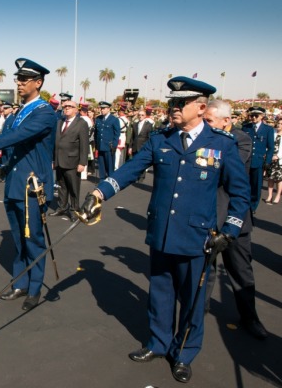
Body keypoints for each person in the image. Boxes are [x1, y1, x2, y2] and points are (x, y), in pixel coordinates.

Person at [81, 76, 250, 383]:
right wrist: (99, 193)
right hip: (162, 232)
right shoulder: (162, 139)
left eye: (179, 103)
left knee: (192, 300)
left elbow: (240, 194)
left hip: (199, 237)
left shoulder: (221, 144)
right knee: (160, 293)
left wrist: (229, 230)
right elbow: (130, 169)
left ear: (200, 107)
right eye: (171, 102)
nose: (172, 108)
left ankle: (184, 352)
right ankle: (159, 343)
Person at [0, 58, 57, 311]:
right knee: (19, 237)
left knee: (34, 238)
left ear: (38, 83)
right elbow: (9, 139)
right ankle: (21, 282)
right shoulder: (19, 112)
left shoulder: (44, 112)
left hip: (33, 185)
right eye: (17, 79)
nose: (18, 83)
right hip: (16, 182)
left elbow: (18, 136)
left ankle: (35, 287)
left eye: (24, 80)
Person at [202, 100, 267, 340]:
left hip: (235, 218)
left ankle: (250, 317)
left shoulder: (241, 140)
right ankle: (199, 313)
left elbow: (225, 170)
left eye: (209, 121)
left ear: (226, 121)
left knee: (241, 272)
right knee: (205, 270)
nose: (205, 125)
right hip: (208, 216)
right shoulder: (205, 139)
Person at [50, 100, 89, 221]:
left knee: (73, 187)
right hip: (59, 160)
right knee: (62, 186)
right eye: (65, 106)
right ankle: (62, 207)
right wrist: (53, 160)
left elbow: (84, 144)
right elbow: (55, 143)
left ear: (76, 109)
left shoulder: (81, 123)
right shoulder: (59, 122)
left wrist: (82, 162)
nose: (66, 108)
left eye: (70, 106)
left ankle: (74, 210)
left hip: (73, 161)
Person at [241, 106, 274, 213]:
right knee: (244, 184)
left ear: (262, 116)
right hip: (246, 161)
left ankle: (253, 206)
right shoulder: (246, 127)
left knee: (256, 186)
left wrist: (267, 162)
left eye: (256, 116)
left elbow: (271, 147)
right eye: (252, 115)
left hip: (258, 161)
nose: (253, 118)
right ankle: (243, 204)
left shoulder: (268, 129)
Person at [93, 101, 120, 179]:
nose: (102, 110)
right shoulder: (98, 119)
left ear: (109, 109)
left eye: (104, 108)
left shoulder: (114, 119)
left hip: (109, 147)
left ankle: (110, 182)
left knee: (109, 167)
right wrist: (96, 145)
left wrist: (114, 145)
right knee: (101, 166)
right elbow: (96, 133)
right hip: (100, 146)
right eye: (101, 108)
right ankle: (102, 182)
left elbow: (117, 134)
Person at [128, 108, 154, 181]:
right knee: (135, 162)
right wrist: (130, 147)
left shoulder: (148, 125)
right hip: (135, 146)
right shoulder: (135, 124)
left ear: (145, 116)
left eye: (142, 115)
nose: (140, 116)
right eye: (139, 115)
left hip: (143, 146)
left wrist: (148, 147)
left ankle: (141, 177)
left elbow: (150, 137)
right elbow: (132, 137)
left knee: (142, 163)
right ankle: (135, 176)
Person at [264, 118, 282, 204]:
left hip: (280, 160)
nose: (279, 125)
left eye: (281, 124)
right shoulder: (273, 132)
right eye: (278, 123)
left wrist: (278, 156)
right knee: (270, 178)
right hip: (270, 158)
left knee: (279, 179)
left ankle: (278, 195)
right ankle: (270, 195)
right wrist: (268, 154)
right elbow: (268, 144)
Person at [114, 104, 130, 170]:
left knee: (117, 153)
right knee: (121, 153)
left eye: (119, 111)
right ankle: (120, 166)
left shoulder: (119, 120)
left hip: (119, 136)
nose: (118, 112)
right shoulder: (127, 119)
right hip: (124, 136)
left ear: (121, 112)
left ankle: (116, 167)